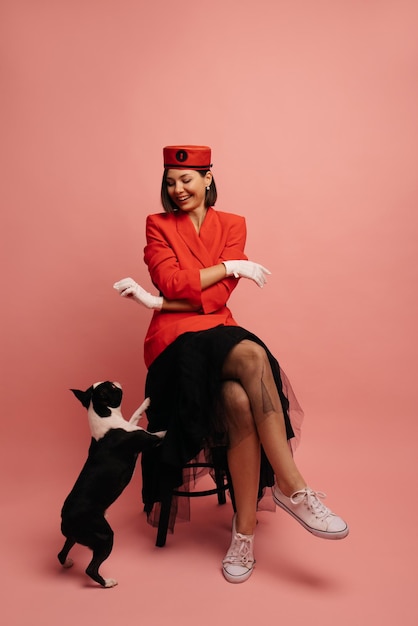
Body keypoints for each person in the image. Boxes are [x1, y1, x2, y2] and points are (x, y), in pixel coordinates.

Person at [113, 145, 348, 584]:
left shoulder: (233, 224)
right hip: (172, 345)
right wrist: (230, 265)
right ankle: (292, 487)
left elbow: (216, 300)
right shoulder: (157, 225)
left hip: (218, 331)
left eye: (187, 179)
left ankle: (244, 535)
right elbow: (169, 281)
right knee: (254, 353)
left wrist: (205, 279)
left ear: (207, 177)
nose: (178, 189)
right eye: (170, 181)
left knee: (238, 399)